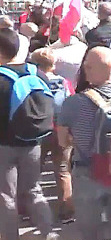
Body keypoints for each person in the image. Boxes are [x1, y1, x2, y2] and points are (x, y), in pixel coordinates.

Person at [56, 47, 111, 240]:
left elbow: (63, 140)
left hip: (86, 172)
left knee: (91, 235)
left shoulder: (74, 102)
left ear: (87, 70)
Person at [0, 28, 65, 240]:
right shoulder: (35, 71)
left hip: (4, 145)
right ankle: (51, 236)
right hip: (33, 142)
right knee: (33, 191)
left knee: (6, 197)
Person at [31, 47, 74, 223]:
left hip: (39, 131)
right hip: (62, 129)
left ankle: (31, 211)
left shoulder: (32, 81)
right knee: (63, 170)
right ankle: (67, 211)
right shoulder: (64, 82)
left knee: (33, 172)